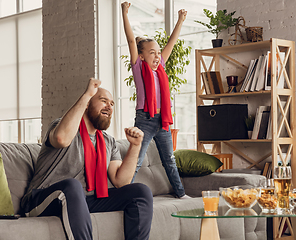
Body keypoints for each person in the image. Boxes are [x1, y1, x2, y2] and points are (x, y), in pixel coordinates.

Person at [21, 78, 153, 240]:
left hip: (83, 201)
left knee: (140, 192)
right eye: (103, 101)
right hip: (40, 200)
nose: (109, 106)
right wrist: (86, 95)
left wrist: (135, 146)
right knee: (72, 185)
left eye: (112, 104)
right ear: (87, 104)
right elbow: (62, 138)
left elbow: (121, 181)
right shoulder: (62, 126)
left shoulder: (108, 141)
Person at [121, 2, 190, 199]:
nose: (157, 56)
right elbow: (131, 41)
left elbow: (172, 43)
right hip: (144, 119)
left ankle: (181, 194)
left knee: (169, 159)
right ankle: (123, 195)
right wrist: (124, 14)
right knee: (138, 160)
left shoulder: (160, 69)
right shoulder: (138, 68)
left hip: (163, 120)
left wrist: (180, 21)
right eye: (152, 53)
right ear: (141, 56)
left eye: (158, 53)